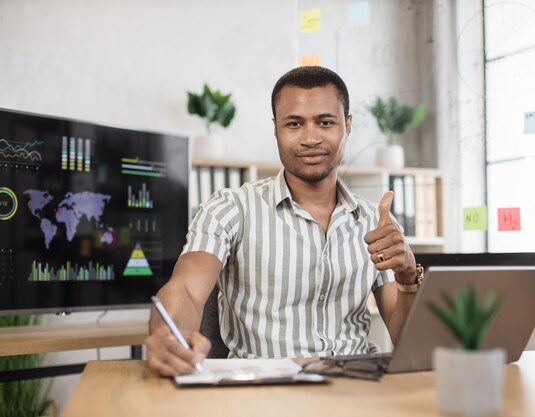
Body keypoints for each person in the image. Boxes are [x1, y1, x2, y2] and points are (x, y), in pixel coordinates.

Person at [146, 66, 420, 376]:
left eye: (325, 122)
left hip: (357, 386)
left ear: (347, 125)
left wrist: (408, 276)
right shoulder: (231, 208)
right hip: (266, 391)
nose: (310, 138)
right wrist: (169, 338)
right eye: (294, 124)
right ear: (276, 128)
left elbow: (407, 342)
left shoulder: (375, 219)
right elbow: (185, 289)